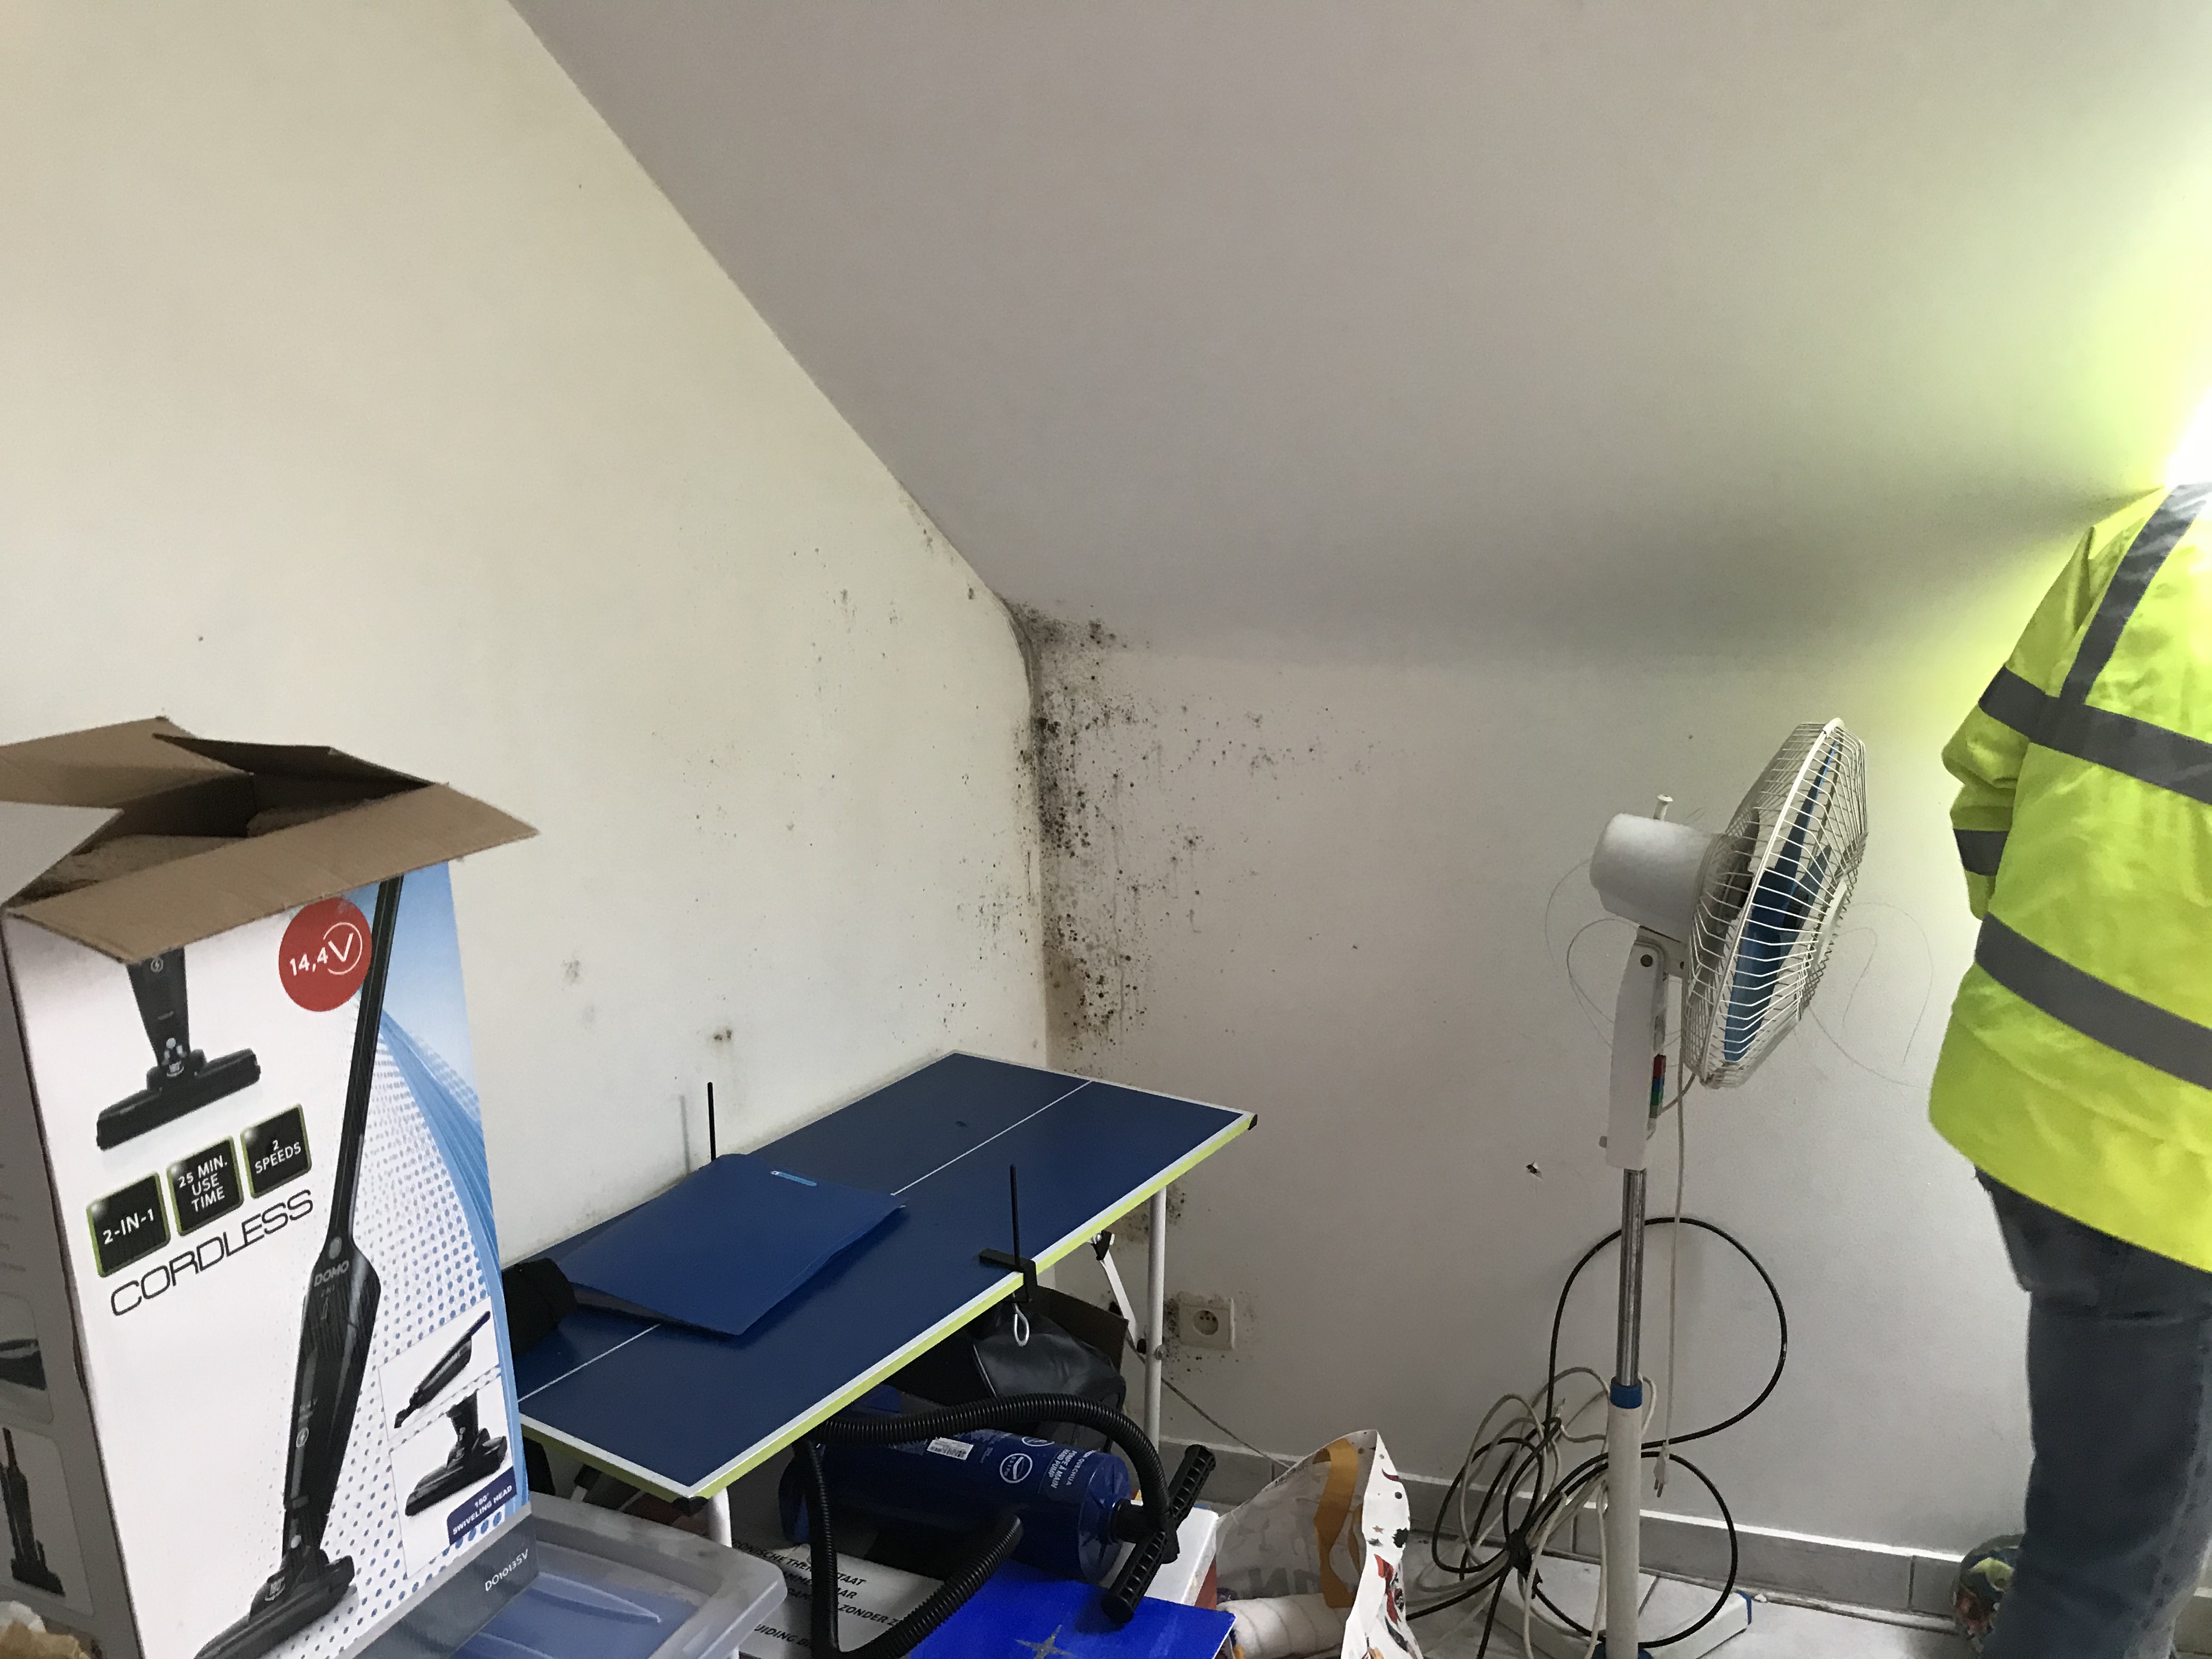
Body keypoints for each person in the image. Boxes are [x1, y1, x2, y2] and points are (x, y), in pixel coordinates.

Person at [1932, 480, 2212, 1659]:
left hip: (2028, 1103)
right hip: (2175, 1185)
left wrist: (2064, 1009)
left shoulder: (2157, 531)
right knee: (2110, 1567)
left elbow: (1985, 774)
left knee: (2113, 1510)